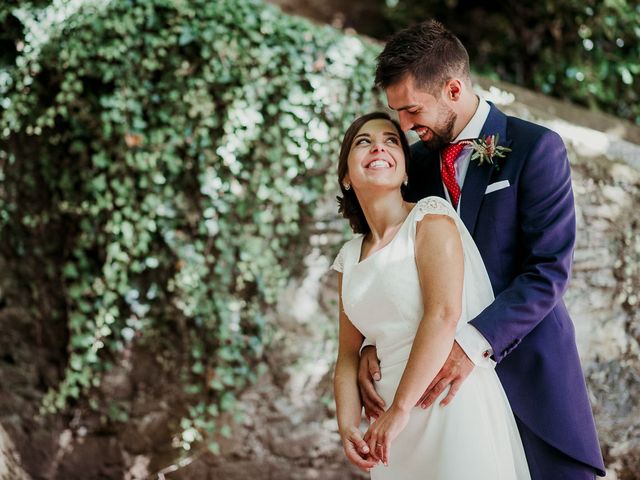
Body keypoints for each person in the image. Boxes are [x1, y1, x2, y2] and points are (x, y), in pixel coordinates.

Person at [356, 20, 605, 480]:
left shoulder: (536, 148)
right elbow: (398, 261)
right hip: (452, 404)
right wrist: (372, 340)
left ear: (453, 88)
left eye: (412, 110)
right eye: (398, 113)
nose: (405, 127)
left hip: (529, 374)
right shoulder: (422, 166)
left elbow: (548, 270)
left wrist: (470, 344)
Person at [331, 111, 531, 478]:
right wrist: (347, 426)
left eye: (391, 141)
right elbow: (346, 354)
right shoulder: (348, 256)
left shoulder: (429, 219)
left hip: (444, 405)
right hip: (387, 428)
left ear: (406, 171)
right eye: (363, 142)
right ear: (346, 175)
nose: (378, 146)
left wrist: (401, 410)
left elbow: (443, 315)